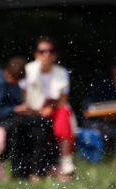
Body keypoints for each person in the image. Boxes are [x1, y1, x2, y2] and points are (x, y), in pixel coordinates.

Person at [21, 36, 76, 179]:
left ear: (55, 54)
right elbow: (23, 98)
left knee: (64, 112)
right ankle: (62, 162)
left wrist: (50, 107)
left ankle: (65, 159)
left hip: (54, 110)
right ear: (36, 54)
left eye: (50, 51)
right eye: (42, 51)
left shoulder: (61, 72)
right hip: (33, 111)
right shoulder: (28, 70)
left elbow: (63, 100)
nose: (46, 54)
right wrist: (37, 111)